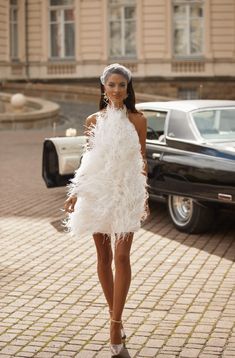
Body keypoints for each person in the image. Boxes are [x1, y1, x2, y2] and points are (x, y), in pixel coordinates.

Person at [64, 63, 149, 357]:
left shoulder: (138, 119)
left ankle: (114, 324)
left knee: (122, 256)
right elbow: (88, 160)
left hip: (127, 193)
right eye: (111, 85)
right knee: (104, 256)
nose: (116, 90)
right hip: (98, 191)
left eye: (121, 85)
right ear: (103, 88)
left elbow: (142, 160)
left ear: (128, 89)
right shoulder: (92, 119)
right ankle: (117, 316)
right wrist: (76, 193)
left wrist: (144, 194)